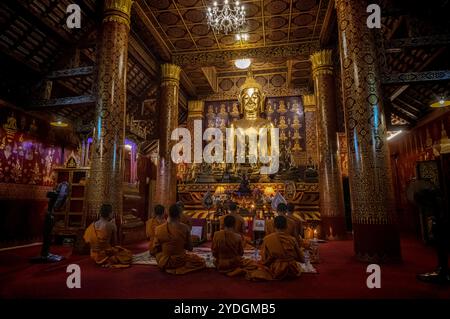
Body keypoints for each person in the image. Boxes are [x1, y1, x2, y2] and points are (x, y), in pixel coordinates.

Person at [151, 204, 206, 275]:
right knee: (200, 261)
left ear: (168, 214)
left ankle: (169, 268)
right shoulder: (185, 228)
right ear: (180, 215)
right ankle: (178, 269)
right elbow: (190, 248)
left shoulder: (159, 229)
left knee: (159, 255)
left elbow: (155, 248)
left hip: (164, 261)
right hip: (180, 261)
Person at [247, 215, 304, 281]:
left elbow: (265, 259)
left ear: (274, 226)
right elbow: (301, 259)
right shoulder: (292, 239)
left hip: (276, 269)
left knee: (255, 268)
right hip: (292, 269)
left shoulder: (267, 239)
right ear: (286, 226)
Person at [83, 204, 132, 268]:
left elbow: (87, 241)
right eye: (112, 212)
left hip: (93, 255)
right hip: (105, 254)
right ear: (109, 214)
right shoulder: (111, 225)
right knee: (127, 254)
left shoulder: (92, 224)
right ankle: (109, 261)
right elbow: (115, 243)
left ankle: (103, 260)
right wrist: (115, 228)